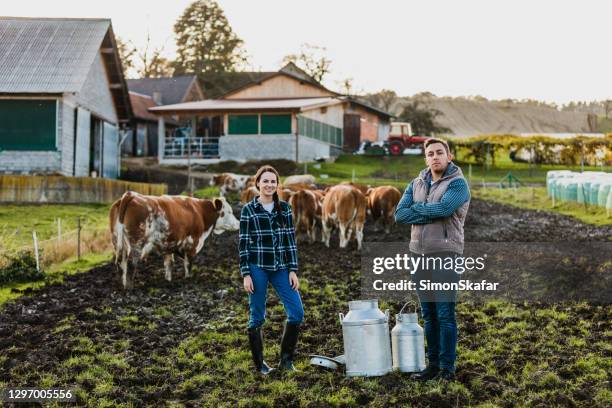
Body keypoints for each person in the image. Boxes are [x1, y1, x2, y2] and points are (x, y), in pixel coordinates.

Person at [395, 138, 471, 381]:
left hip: (446, 254)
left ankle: (447, 369)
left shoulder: (458, 184)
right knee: (428, 314)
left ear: (449, 156)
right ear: (425, 158)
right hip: (418, 255)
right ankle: (433, 366)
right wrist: (426, 210)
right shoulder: (416, 182)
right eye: (430, 153)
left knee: (445, 313)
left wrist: (417, 210)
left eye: (440, 152)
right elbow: (399, 215)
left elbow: (444, 210)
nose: (435, 157)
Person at [239, 165, 304, 375]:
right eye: (265, 181)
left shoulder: (284, 208)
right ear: (257, 183)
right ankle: (261, 366)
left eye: (273, 181)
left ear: (277, 185)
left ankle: (286, 361)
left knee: (296, 312)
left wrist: (293, 269)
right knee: (256, 316)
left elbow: (290, 241)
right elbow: (243, 243)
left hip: (281, 267)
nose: (269, 185)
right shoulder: (249, 210)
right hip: (257, 266)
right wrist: (246, 274)